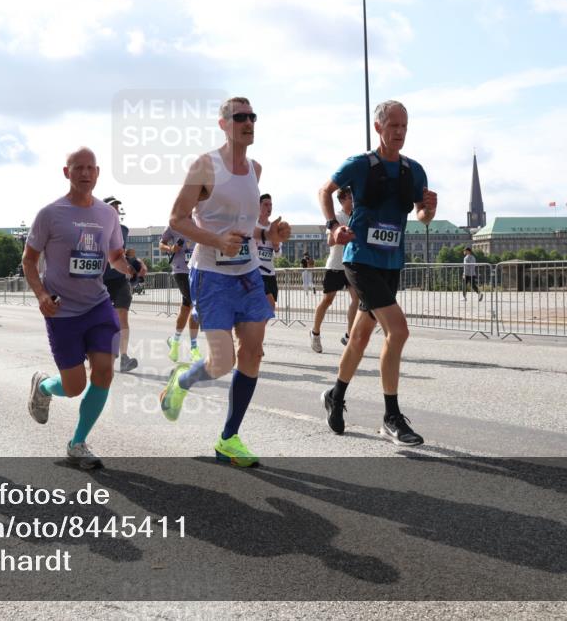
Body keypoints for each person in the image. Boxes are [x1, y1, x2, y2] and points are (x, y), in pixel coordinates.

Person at [158, 96, 290, 467]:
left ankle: (229, 438)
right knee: (220, 362)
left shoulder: (254, 168)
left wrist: (270, 234)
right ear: (223, 124)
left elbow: (249, 228)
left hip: (247, 274)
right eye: (239, 117)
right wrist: (216, 241)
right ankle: (181, 382)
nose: (247, 122)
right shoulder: (205, 166)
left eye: (252, 116)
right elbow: (177, 218)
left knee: (253, 352)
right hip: (211, 275)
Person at [318, 99, 437, 447]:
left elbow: (421, 217)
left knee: (360, 337)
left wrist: (429, 211)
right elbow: (324, 190)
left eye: (404, 126)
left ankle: (335, 395)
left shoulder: (414, 171)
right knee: (398, 331)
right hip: (360, 259)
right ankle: (391, 417)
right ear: (378, 128)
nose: (399, 132)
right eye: (393, 126)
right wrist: (331, 227)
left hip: (391, 263)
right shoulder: (360, 164)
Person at [24, 147, 134, 469]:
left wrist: (130, 267)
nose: (85, 174)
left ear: (97, 173)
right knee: (74, 387)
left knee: (104, 371)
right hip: (62, 312)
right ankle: (44, 386)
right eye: (78, 168)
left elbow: (114, 256)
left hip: (98, 305)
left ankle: (77, 443)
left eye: (90, 168)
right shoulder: (50, 214)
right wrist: (42, 295)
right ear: (66, 172)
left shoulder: (108, 214)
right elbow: (29, 260)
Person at [310, 186, 359, 353]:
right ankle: (315, 332)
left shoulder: (357, 215)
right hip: (336, 265)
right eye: (350, 198)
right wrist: (342, 234)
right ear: (342, 200)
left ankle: (348, 335)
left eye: (353, 198)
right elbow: (330, 242)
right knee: (327, 300)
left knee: (356, 299)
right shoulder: (337, 217)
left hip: (351, 264)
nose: (353, 201)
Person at [101, 195, 146, 372]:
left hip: (119, 280)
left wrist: (138, 263)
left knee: (122, 316)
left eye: (117, 207)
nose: (115, 210)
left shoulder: (123, 230)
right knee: (101, 319)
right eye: (112, 207)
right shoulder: (95, 228)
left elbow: (123, 254)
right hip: (99, 281)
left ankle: (124, 358)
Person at [158, 226, 201, 363]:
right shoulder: (173, 224)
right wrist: (170, 249)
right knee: (196, 305)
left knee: (186, 307)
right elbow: (161, 244)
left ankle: (174, 341)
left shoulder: (199, 222)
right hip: (180, 270)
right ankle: (194, 349)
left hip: (196, 269)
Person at [256, 193, 283, 310]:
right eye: (266, 204)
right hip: (256, 273)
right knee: (269, 303)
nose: (269, 207)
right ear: (258, 206)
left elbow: (278, 255)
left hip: (270, 273)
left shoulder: (274, 228)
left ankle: (254, 328)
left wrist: (276, 247)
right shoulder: (252, 226)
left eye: (271, 205)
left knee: (270, 309)